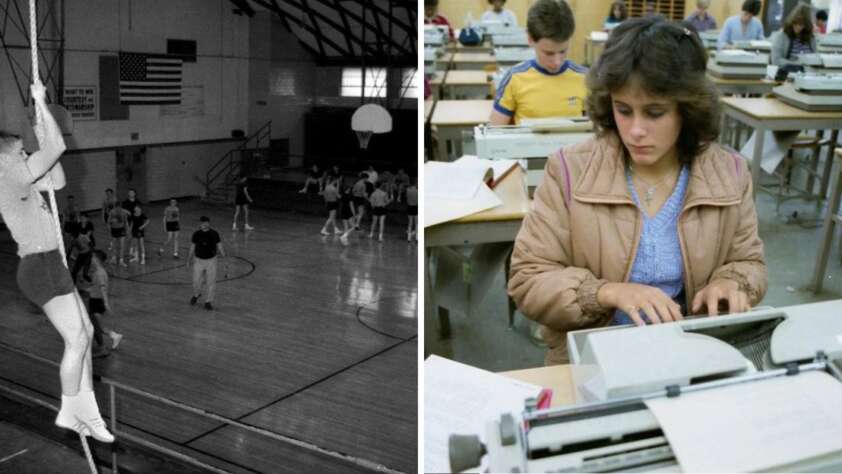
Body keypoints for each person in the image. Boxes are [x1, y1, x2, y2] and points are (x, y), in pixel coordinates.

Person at [508, 17, 768, 365]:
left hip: (693, 351)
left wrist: (732, 282)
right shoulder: (570, 171)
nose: (636, 131)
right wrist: (605, 292)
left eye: (655, 112)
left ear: (687, 109)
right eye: (623, 110)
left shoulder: (730, 173)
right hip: (591, 357)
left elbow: (749, 261)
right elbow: (528, 278)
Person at [0, 81, 113, 442]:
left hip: (49, 263)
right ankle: (69, 409)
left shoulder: (22, 177)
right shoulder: (9, 175)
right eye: (19, 150)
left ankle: (87, 411)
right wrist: (40, 103)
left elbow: (59, 177)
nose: (24, 153)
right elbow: (58, 145)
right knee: (78, 339)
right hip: (38, 266)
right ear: (4, 155)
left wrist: (37, 130)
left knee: (89, 333)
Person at [490, 0, 587, 125]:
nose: (557, 62)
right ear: (530, 39)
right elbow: (495, 133)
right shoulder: (514, 79)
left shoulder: (586, 79)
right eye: (548, 53)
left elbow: (595, 135)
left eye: (563, 51)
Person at [87, 250, 123, 357]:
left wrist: (106, 303)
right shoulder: (98, 271)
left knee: (96, 326)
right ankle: (111, 337)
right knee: (95, 325)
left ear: (97, 259)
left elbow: (103, 288)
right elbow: (97, 287)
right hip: (95, 300)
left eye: (93, 257)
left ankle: (112, 337)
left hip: (97, 302)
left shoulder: (100, 273)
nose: (91, 259)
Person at [189, 216, 225, 311]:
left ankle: (208, 301)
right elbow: (192, 247)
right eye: (203, 223)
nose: (205, 224)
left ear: (209, 223)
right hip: (198, 261)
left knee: (211, 282)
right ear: (200, 224)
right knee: (196, 281)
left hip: (211, 261)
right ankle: (196, 294)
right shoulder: (196, 234)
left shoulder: (214, 234)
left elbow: (219, 245)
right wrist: (188, 259)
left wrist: (224, 256)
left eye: (206, 222)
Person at [121, 189, 142, 260]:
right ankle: (125, 253)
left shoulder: (137, 202)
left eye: (132, 192)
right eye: (129, 192)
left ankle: (132, 253)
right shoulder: (125, 202)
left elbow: (140, 211)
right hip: (128, 222)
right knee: (128, 237)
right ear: (128, 194)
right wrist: (127, 211)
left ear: (135, 194)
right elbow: (122, 210)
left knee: (134, 238)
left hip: (136, 222)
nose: (131, 193)